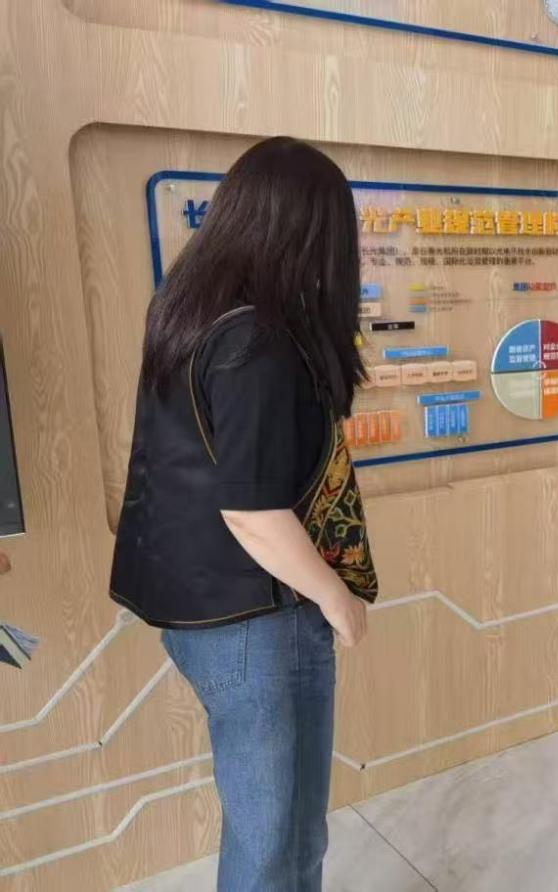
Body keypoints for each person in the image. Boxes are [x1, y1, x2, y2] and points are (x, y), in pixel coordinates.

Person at [110, 137, 377, 891]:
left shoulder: (190, 310)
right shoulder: (258, 339)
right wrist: (339, 601)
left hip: (204, 608)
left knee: (286, 830)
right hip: (256, 621)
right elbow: (253, 513)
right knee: (273, 840)